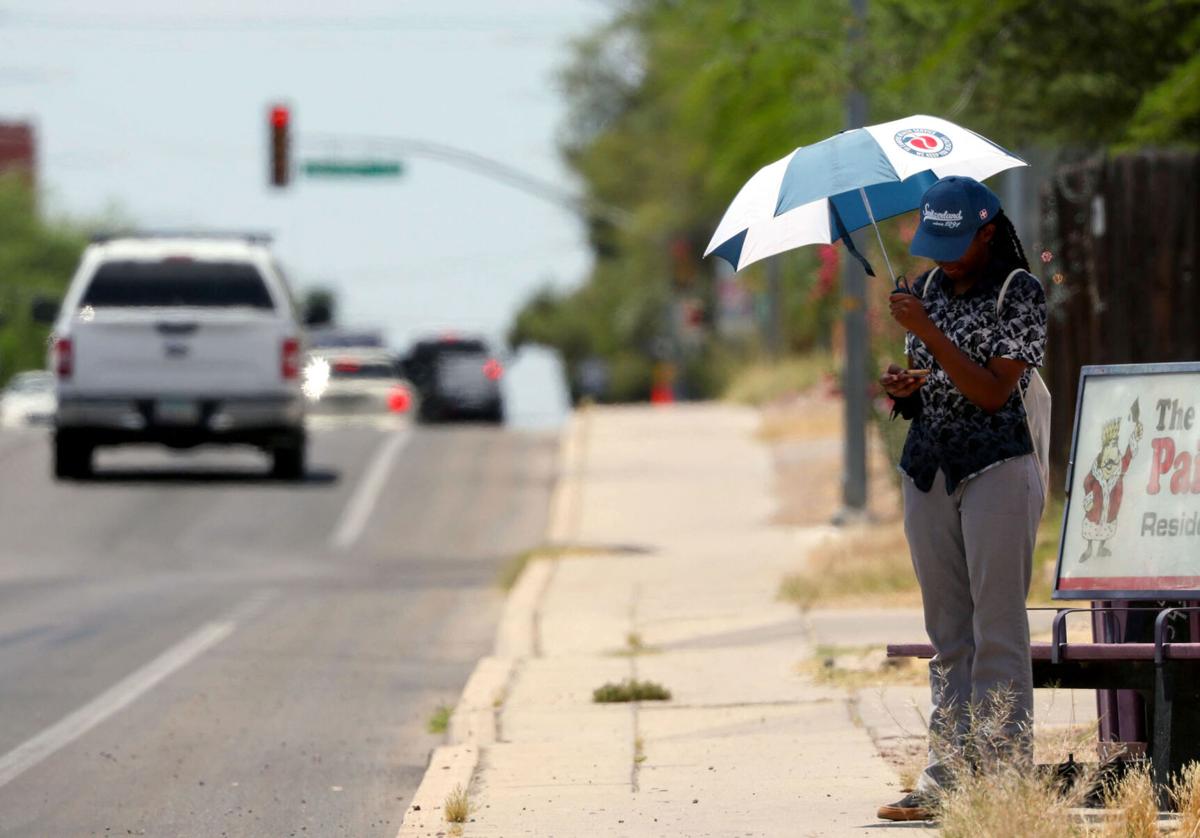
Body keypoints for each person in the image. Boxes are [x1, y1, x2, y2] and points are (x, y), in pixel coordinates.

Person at [875, 176, 1048, 822]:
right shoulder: (923, 292)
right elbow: (930, 392)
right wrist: (903, 388)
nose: (943, 257)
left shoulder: (1017, 293)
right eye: (933, 243)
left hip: (996, 468)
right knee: (947, 632)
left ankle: (1002, 782)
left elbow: (993, 393)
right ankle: (945, 775)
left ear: (985, 233)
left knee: (996, 628)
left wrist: (932, 336)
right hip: (929, 470)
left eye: (955, 243)